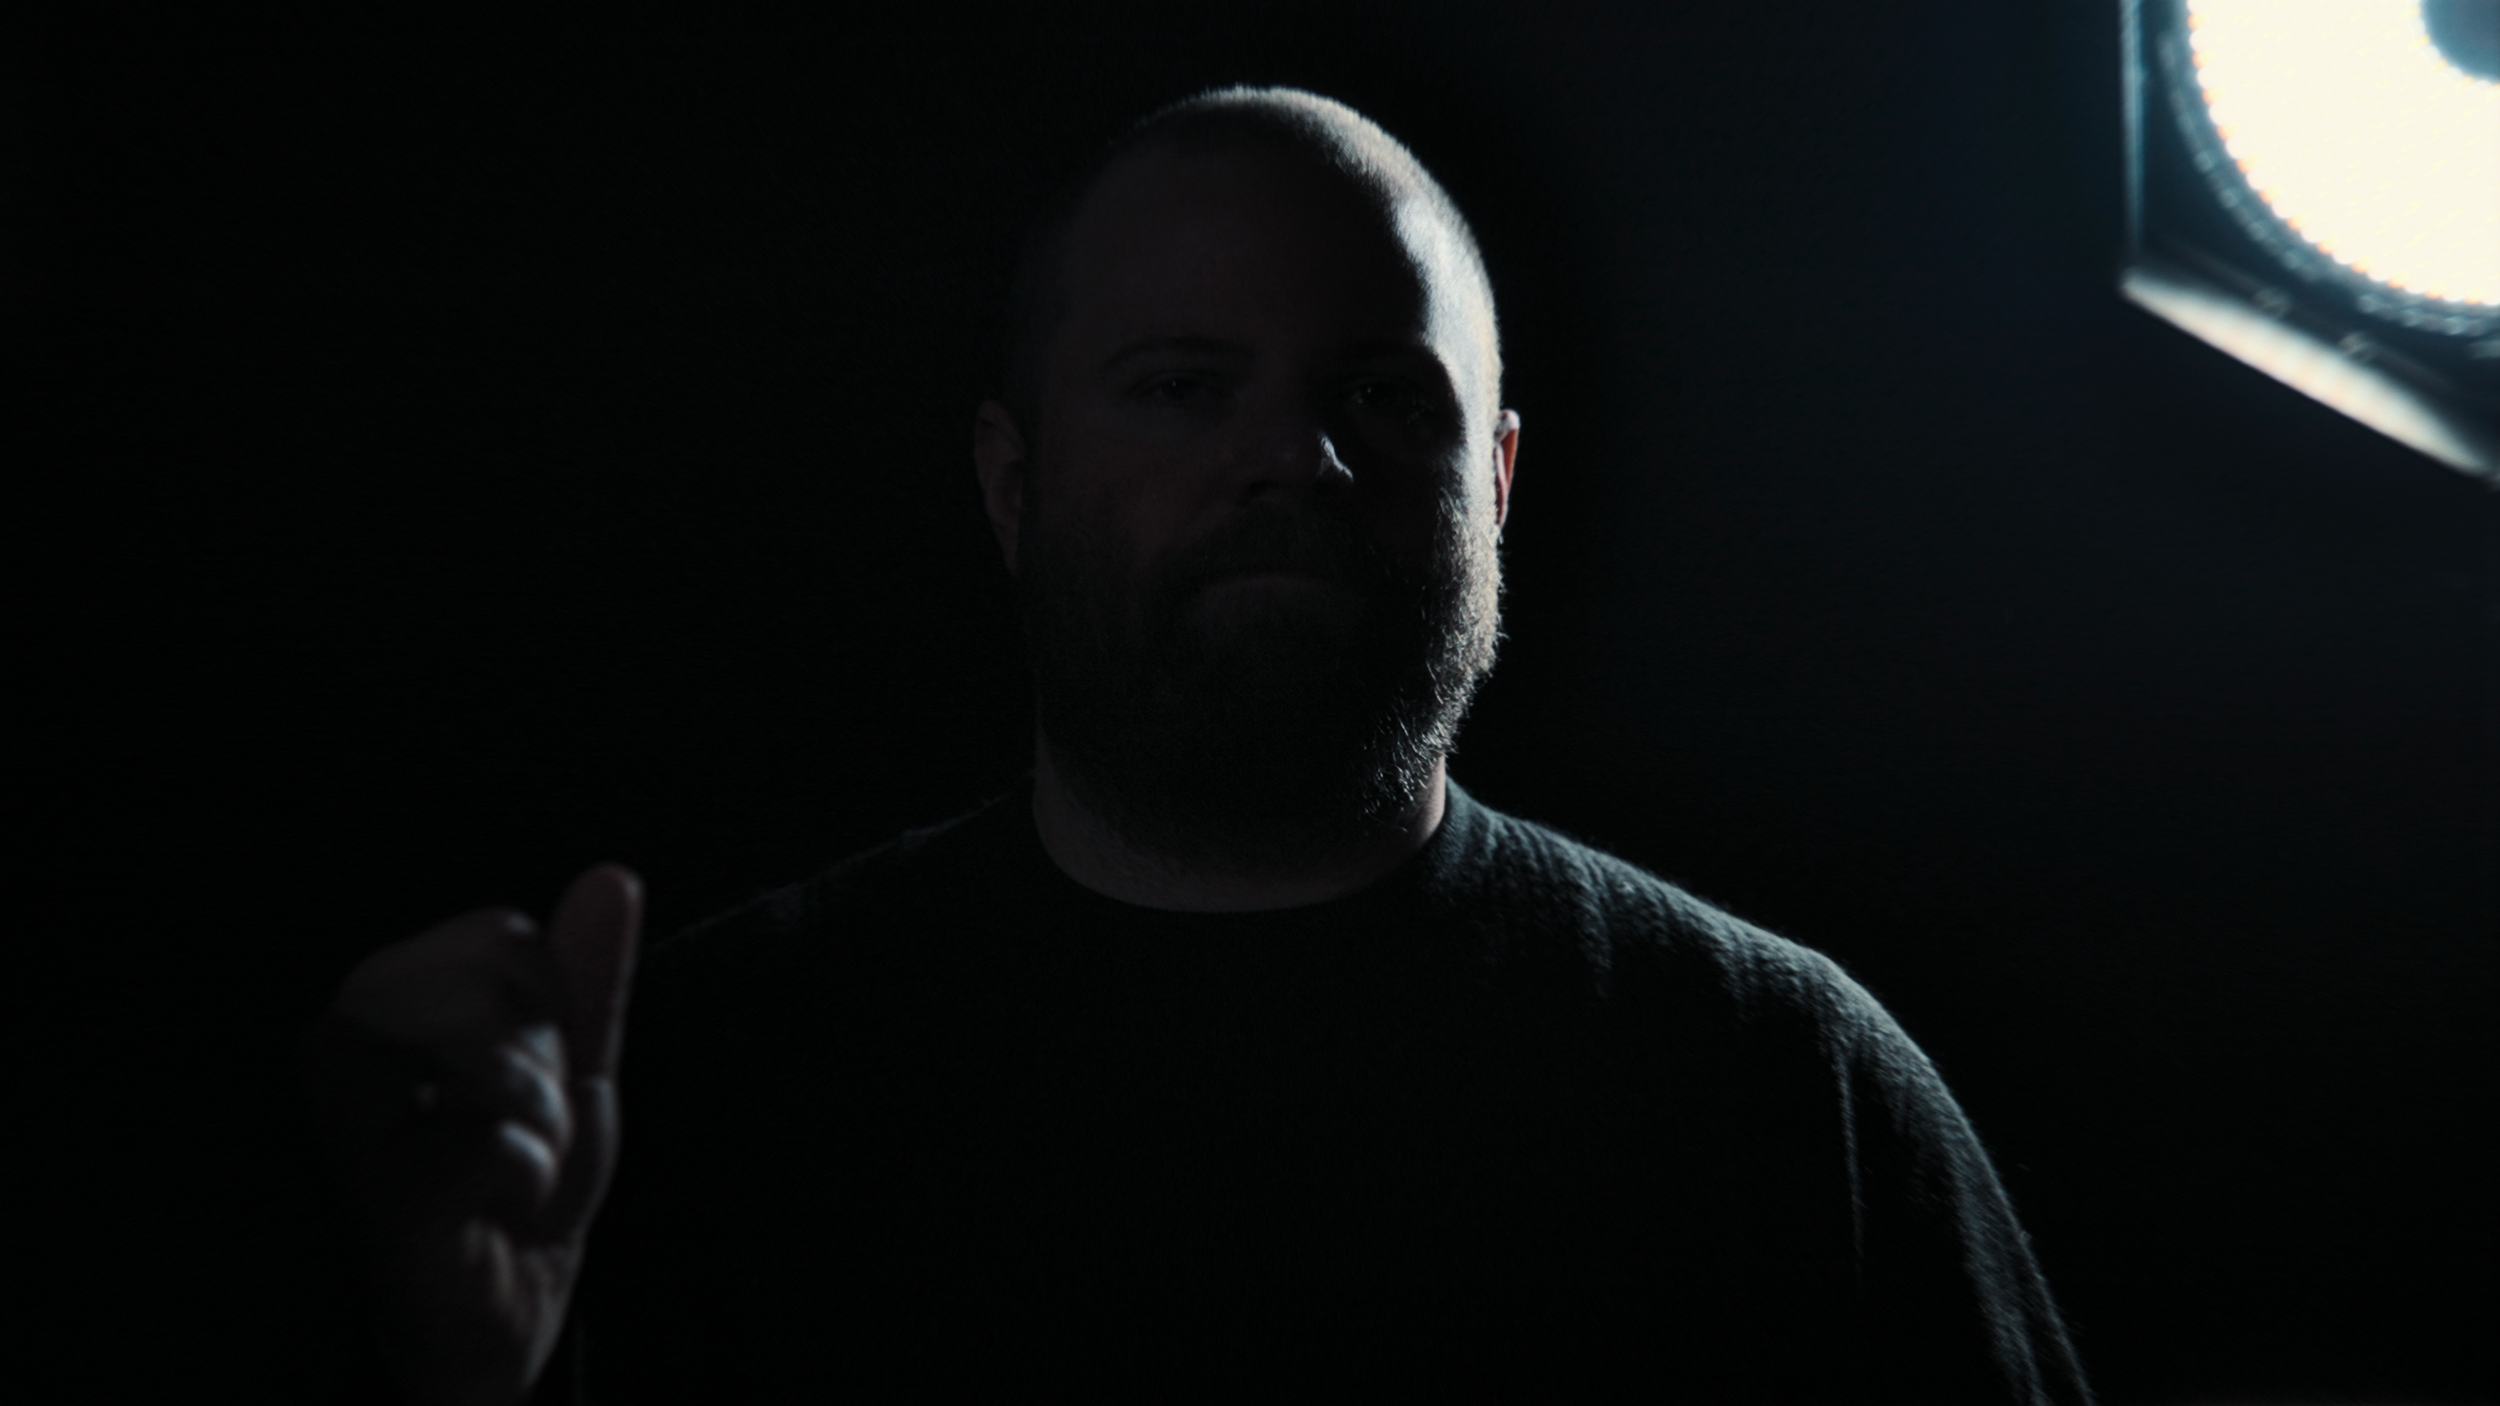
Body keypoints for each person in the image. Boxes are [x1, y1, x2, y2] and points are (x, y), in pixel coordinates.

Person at [303, 86, 2096, 1404]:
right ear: (1014, 484)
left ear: (1497, 485)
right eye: (1182, 383)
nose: (1292, 458)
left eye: (1386, 398)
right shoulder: (667, 1103)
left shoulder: (1790, 1093)